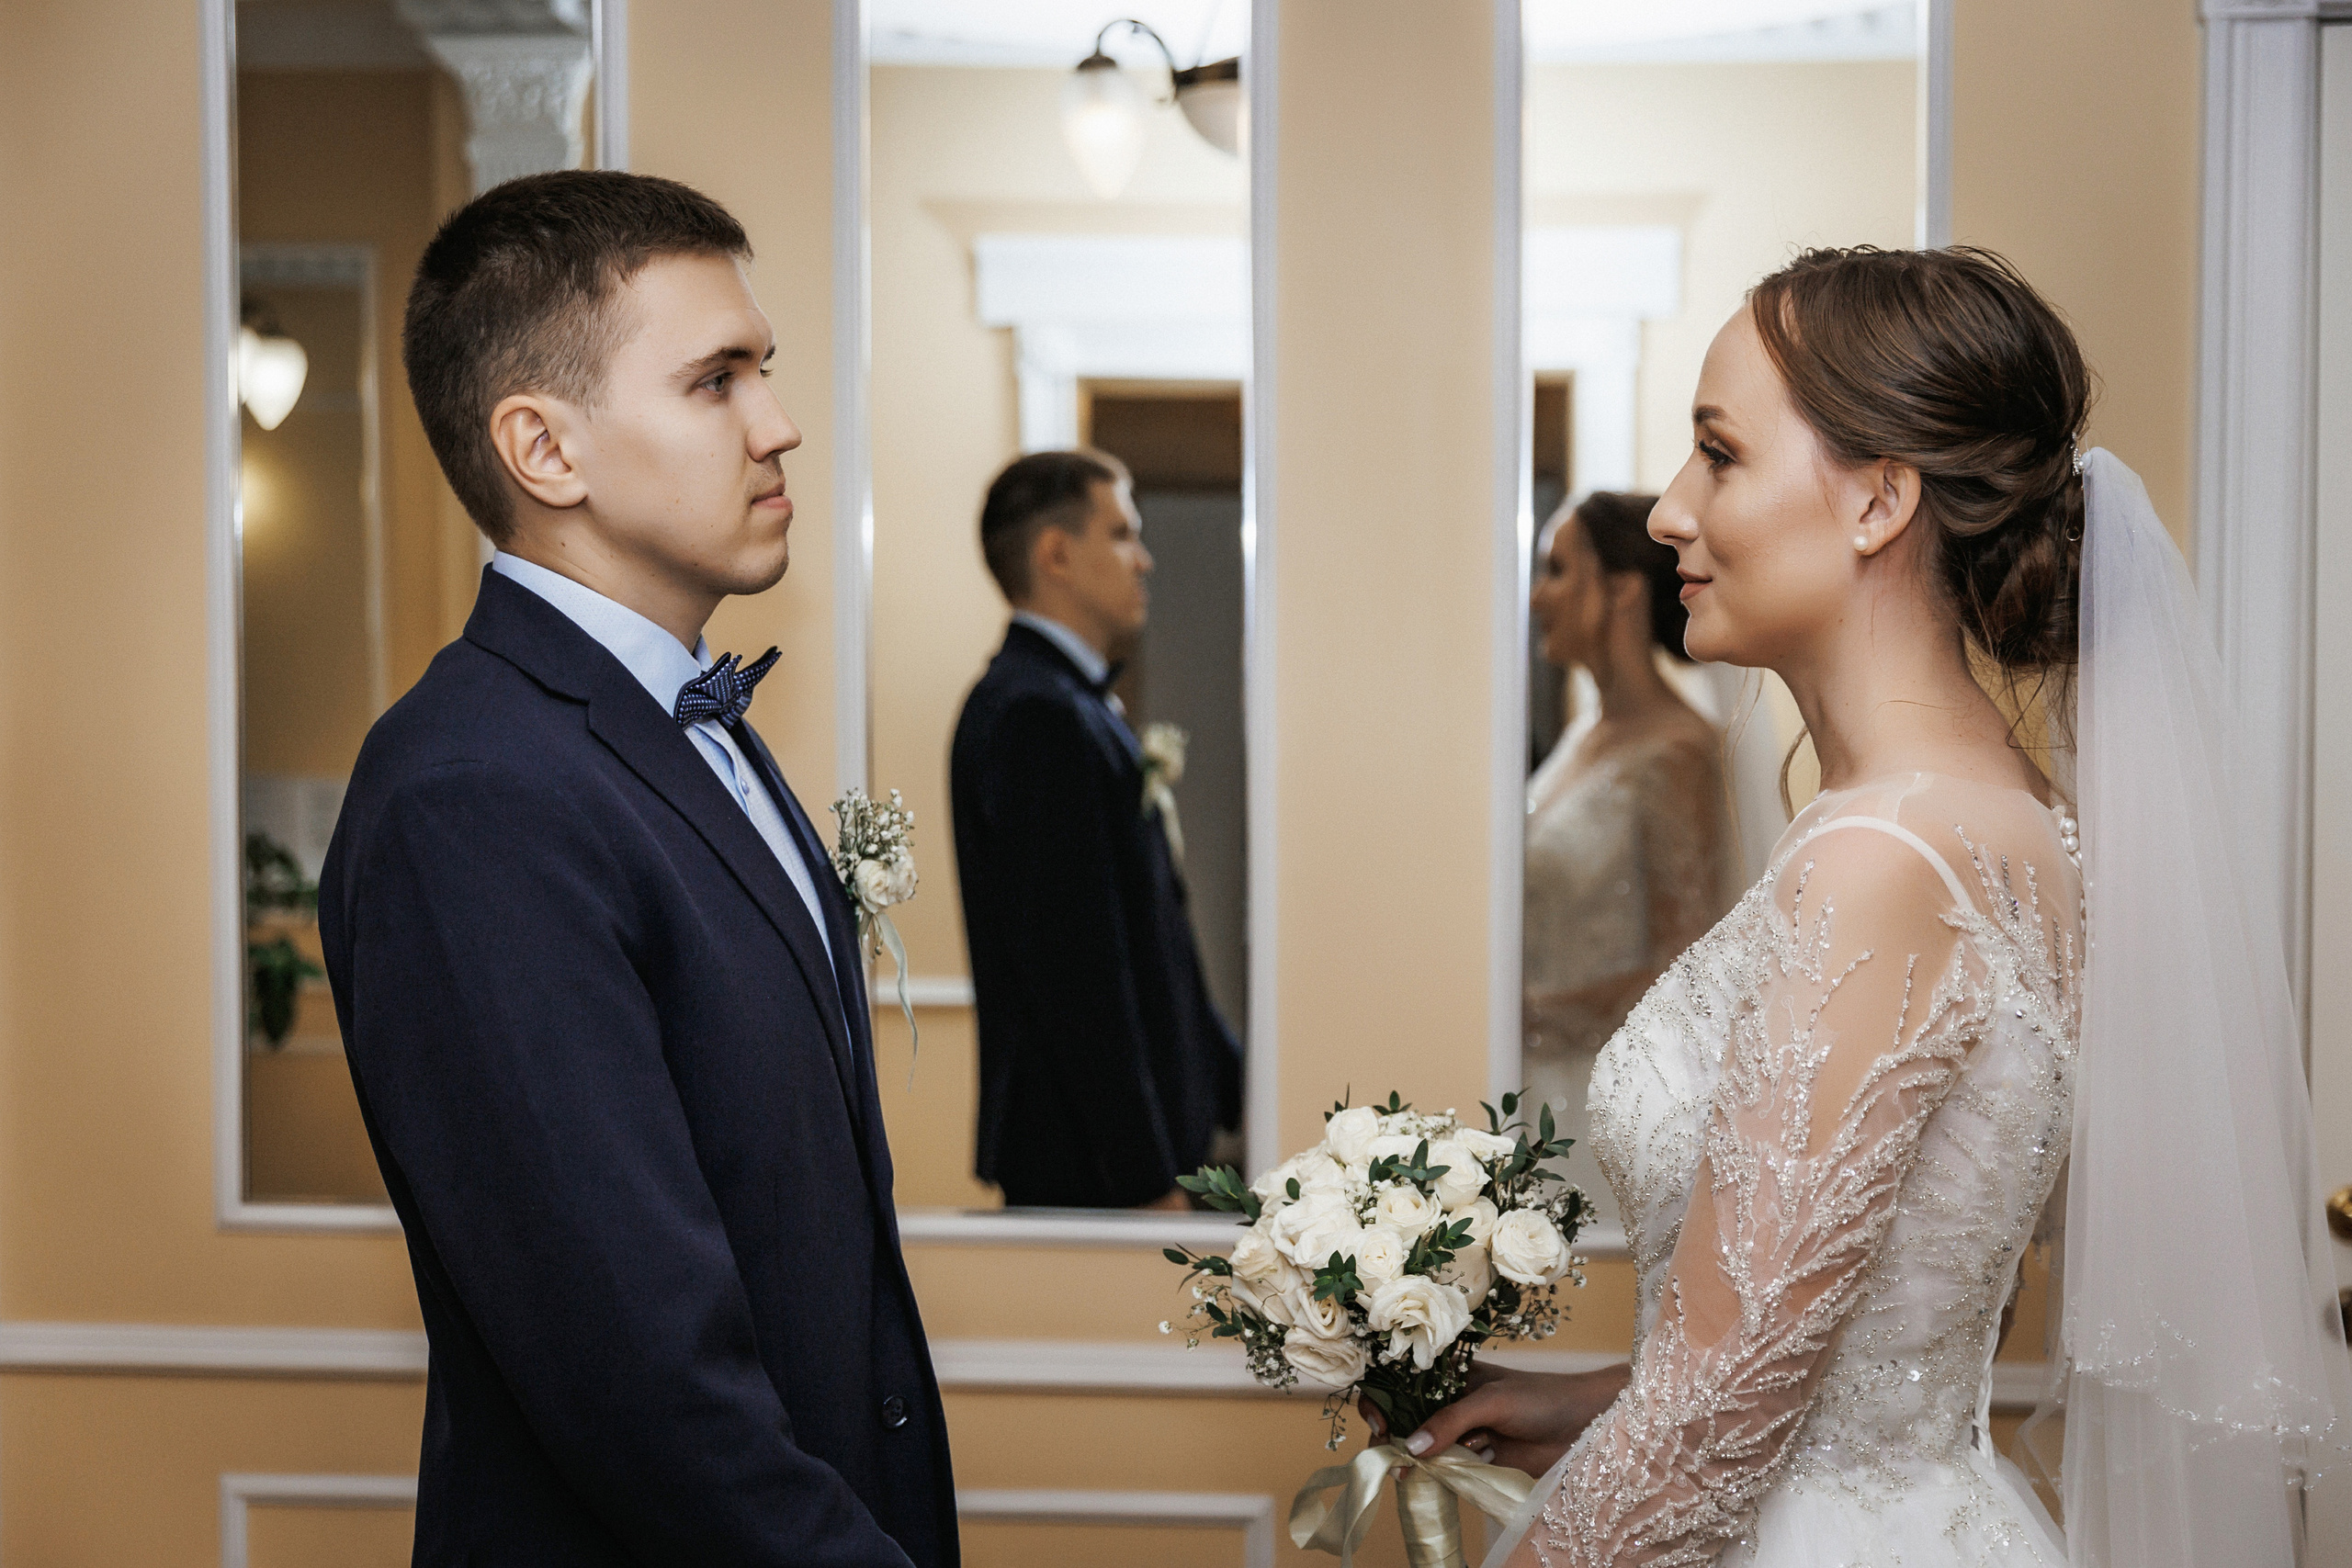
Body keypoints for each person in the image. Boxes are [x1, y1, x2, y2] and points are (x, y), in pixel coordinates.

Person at [1385, 247, 2346, 1567]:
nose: (1669, 510)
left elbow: (1719, 1418)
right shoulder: (2011, 815)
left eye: (1717, 453)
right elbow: (1895, 1335)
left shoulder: (1881, 858)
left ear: (1880, 500)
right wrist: (1592, 1398)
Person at [318, 171, 956, 1566]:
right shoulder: (473, 792)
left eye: (765, 371)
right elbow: (640, 1375)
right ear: (545, 449)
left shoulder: (689, 733)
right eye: (717, 380)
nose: (781, 425)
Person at [950, 449, 1243, 1210]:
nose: (1144, 560)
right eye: (1122, 534)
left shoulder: (1070, 704)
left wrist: (1242, 1087)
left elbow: (1155, 938)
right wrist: (1145, 1177)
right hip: (1088, 1167)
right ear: (1057, 555)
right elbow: (1079, 974)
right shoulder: (1035, 715)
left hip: (1114, 1156)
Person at [1521, 491, 1736, 1206]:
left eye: (1556, 569)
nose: (1536, 597)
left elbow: (1687, 968)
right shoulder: (1583, 738)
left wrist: (1539, 1011)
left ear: (1621, 589)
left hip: (1605, 1108)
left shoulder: (1677, 753)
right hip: (1534, 1088)